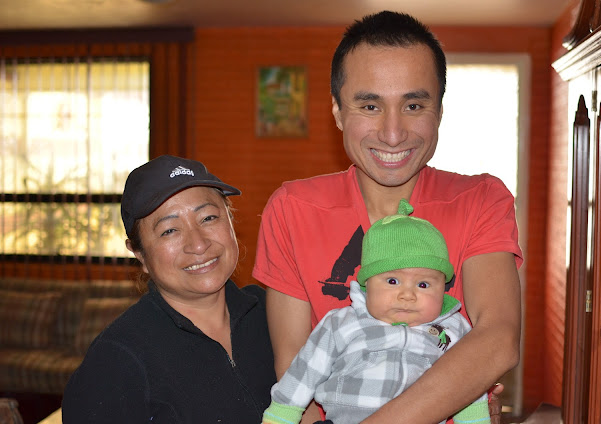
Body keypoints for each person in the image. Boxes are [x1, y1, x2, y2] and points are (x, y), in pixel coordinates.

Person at [253, 10, 523, 424]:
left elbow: (497, 339)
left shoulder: (481, 200)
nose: (393, 133)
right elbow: (295, 370)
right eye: (370, 105)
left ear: (439, 111)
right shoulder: (292, 209)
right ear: (338, 112)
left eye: (413, 105)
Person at [63, 155, 276, 423]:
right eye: (169, 231)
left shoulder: (273, 313)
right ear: (139, 254)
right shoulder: (116, 359)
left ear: (231, 221)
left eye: (208, 218)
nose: (198, 244)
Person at [262, 199, 490, 424]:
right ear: (367, 284)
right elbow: (306, 371)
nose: (407, 295)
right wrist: (280, 415)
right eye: (392, 281)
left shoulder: (452, 330)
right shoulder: (342, 323)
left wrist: (475, 420)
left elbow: (467, 379)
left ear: (443, 289)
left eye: (423, 285)